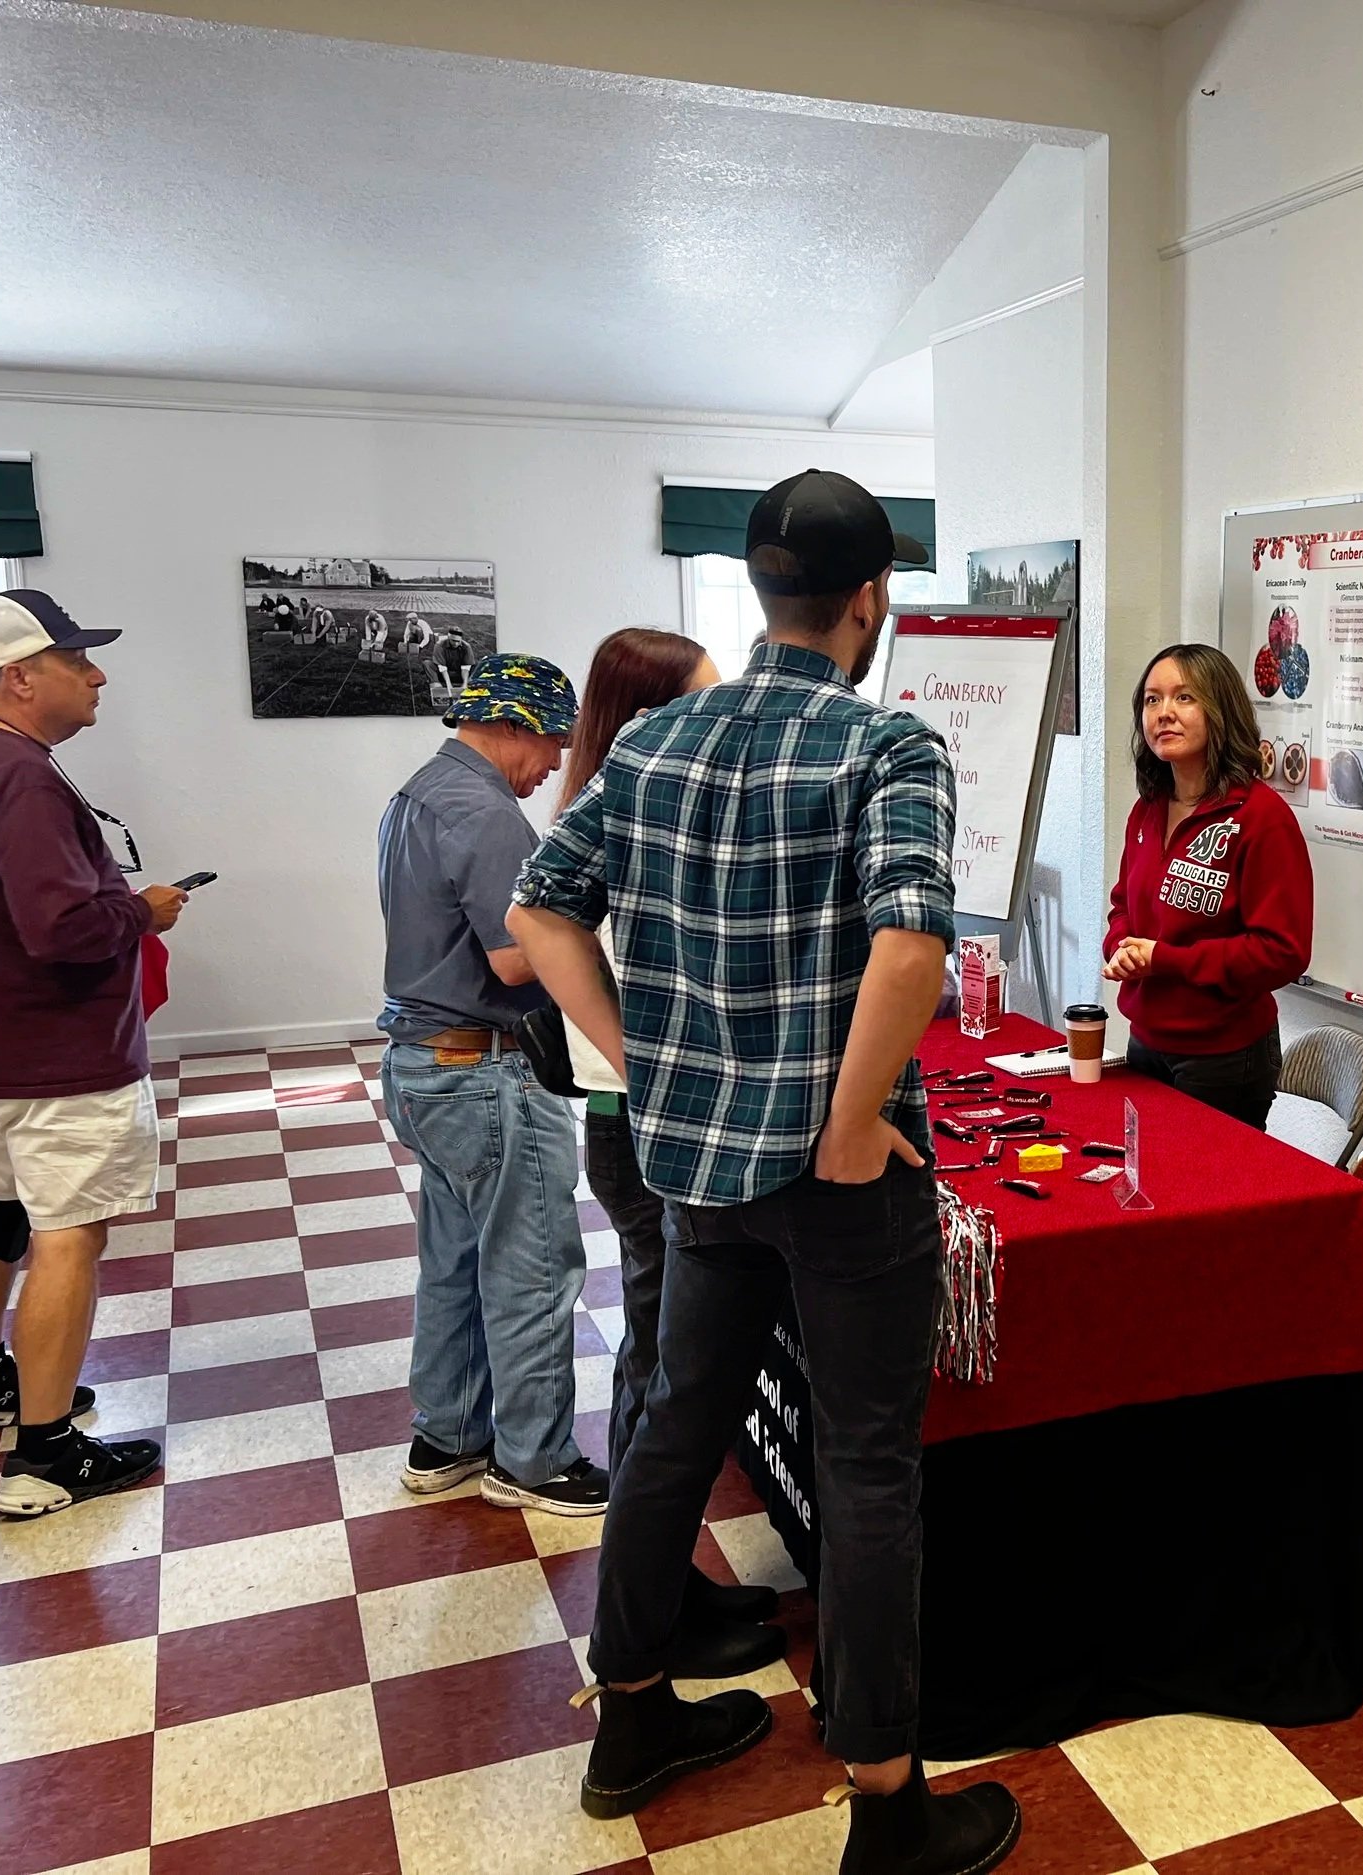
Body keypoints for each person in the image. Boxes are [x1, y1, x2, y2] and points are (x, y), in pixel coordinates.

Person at [510, 469, 1020, 1871]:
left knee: (679, 1418)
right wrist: (856, 1118)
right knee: (868, 1465)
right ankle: (886, 1798)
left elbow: (538, 908)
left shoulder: (656, 741)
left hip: (696, 1158)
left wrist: (633, 1050)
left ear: (756, 591)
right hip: (838, 1173)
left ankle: (630, 1715)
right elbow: (910, 943)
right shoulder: (888, 746)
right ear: (872, 602)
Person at [0, 589, 187, 1516]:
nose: (97, 676)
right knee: (69, 1236)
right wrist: (144, 909)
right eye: (77, 661)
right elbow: (59, 926)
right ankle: (48, 1454)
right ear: (19, 677)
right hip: (54, 1055)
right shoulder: (19, 776)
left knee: (4, 1205)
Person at [553, 627, 782, 1676]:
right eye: (697, 701)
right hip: (643, 1127)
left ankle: (658, 1592)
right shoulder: (626, 819)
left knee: (661, 1362)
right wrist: (644, 1069)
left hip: (640, 1121)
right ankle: (645, 1619)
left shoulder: (610, 805)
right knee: (664, 1371)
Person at [376, 653, 601, 1516]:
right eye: (549, 743)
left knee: (455, 1258)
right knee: (533, 1265)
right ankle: (535, 1460)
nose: (551, 765)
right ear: (509, 725)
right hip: (485, 1068)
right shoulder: (488, 811)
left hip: (424, 1065)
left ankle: (448, 1437)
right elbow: (515, 958)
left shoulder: (417, 794)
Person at [1101, 642, 1313, 1129]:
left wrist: (1165, 959)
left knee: (1200, 1196)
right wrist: (1123, 947)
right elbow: (1124, 907)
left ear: (1220, 711)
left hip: (1223, 1055)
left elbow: (1283, 951)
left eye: (1184, 698)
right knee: (1147, 1187)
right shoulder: (1148, 809)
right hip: (1146, 1038)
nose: (1164, 714)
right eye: (1152, 700)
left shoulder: (1262, 818)